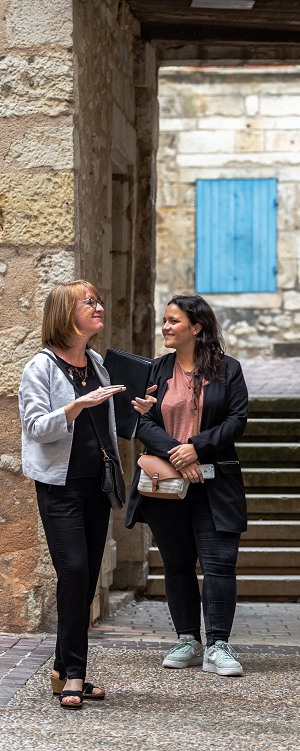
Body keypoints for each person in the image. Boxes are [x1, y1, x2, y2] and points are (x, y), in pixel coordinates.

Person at [19, 280, 155, 710]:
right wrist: (78, 404)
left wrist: (135, 413)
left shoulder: (96, 363)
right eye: (89, 302)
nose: (99, 307)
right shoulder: (40, 368)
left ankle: (65, 670)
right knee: (74, 571)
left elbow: (109, 425)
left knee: (86, 577)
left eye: (98, 299)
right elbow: (36, 428)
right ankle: (74, 673)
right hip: (59, 487)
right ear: (65, 313)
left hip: (98, 485)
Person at [126, 294, 248, 676]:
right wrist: (178, 455)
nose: (165, 327)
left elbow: (236, 421)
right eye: (164, 320)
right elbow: (140, 422)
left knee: (219, 564)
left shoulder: (229, 370)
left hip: (216, 482)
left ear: (196, 327)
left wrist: (196, 449)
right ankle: (187, 640)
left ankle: (219, 645)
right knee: (177, 565)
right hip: (167, 484)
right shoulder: (156, 370)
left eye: (173, 321)